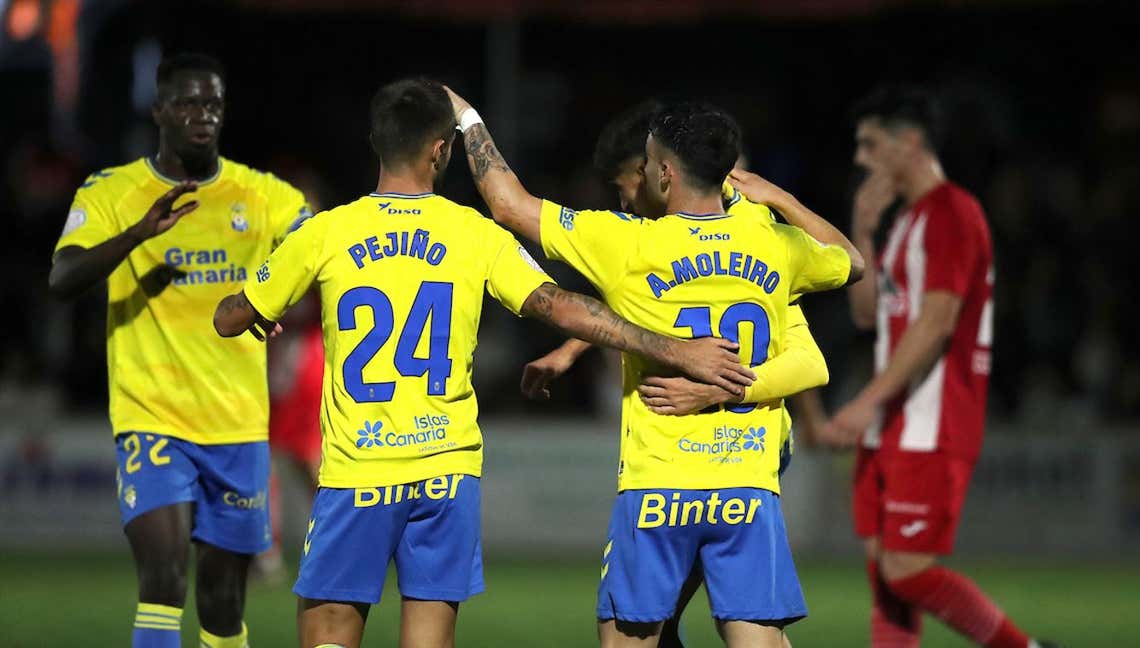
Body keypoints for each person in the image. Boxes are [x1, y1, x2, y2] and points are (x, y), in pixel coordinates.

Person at [212, 78, 754, 648]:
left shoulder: (325, 232)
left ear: (377, 141)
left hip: (358, 472)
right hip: (445, 472)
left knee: (327, 638)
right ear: (440, 149)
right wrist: (676, 348)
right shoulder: (474, 234)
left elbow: (229, 319)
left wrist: (248, 307)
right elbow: (563, 308)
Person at [445, 87, 863, 647]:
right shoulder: (773, 243)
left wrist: (466, 117)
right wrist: (777, 197)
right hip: (747, 482)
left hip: (660, 486)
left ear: (665, 173)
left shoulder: (628, 243)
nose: (637, 175)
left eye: (645, 163)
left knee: (628, 638)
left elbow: (510, 205)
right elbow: (852, 262)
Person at [47, 52, 310, 648]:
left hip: (236, 425)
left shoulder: (260, 193)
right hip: (153, 416)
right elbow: (62, 279)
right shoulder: (113, 191)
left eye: (213, 103)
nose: (203, 115)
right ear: (159, 109)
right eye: (189, 102)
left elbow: (313, 245)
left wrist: (274, 295)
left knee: (222, 606)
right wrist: (137, 234)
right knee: (164, 579)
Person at [825, 86, 1056, 648]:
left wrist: (867, 399)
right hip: (894, 421)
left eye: (870, 144)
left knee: (906, 569)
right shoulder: (906, 223)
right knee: (887, 574)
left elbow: (936, 323)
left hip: (931, 419)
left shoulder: (953, 212)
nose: (861, 158)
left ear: (910, 142)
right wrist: (861, 226)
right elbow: (866, 316)